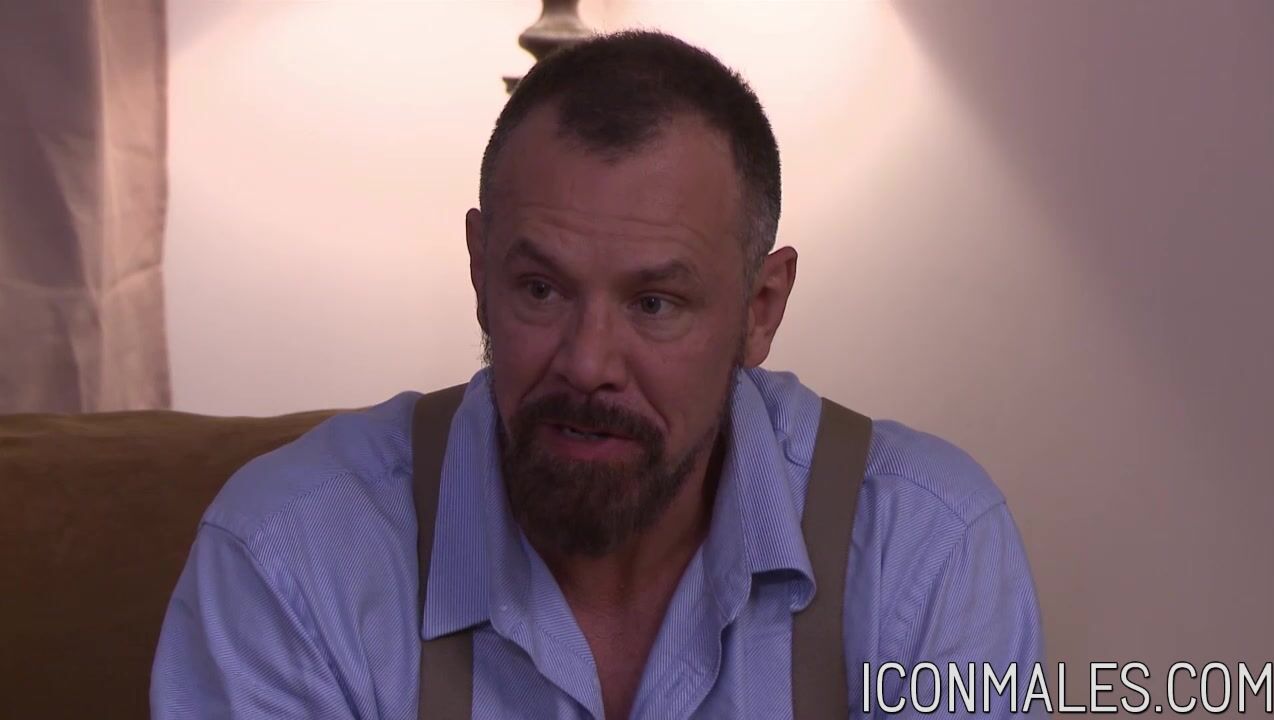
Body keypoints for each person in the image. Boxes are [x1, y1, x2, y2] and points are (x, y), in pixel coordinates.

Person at [152, 31, 1042, 719]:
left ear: (760, 308)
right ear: (480, 272)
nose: (586, 363)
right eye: (541, 290)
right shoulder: (290, 556)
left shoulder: (924, 548)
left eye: (654, 303)